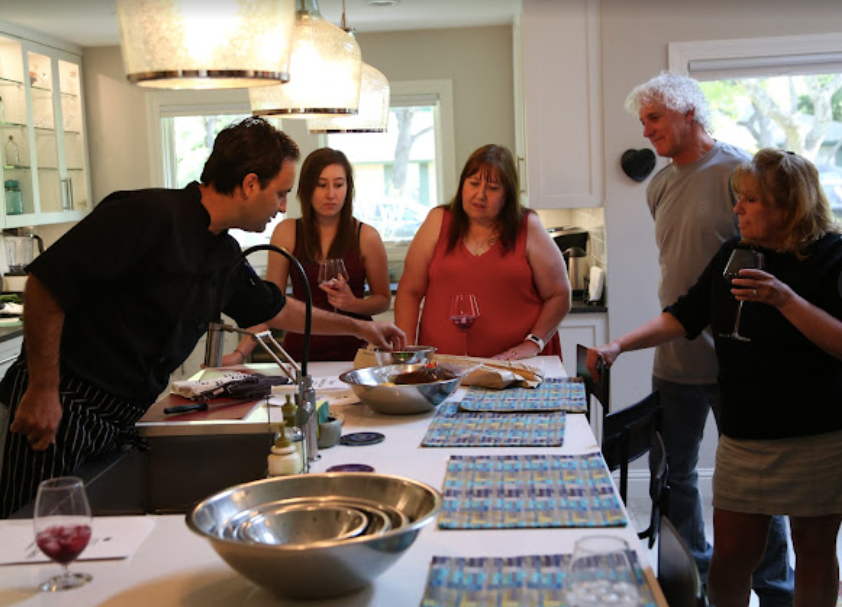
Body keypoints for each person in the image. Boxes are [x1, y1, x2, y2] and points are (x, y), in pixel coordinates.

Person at [0, 117, 406, 518]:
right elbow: (45, 286)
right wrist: (42, 389)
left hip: (118, 419)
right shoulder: (145, 214)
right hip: (59, 407)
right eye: (280, 193)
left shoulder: (223, 253)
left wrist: (361, 326)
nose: (283, 207)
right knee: (24, 546)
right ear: (250, 184)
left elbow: (277, 308)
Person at [589, 149, 842, 607]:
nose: (736, 209)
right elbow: (685, 315)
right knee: (731, 558)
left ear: (789, 206)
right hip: (746, 436)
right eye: (737, 198)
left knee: (816, 553)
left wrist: (785, 300)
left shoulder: (832, 257)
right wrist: (619, 345)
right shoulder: (736, 254)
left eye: (750, 200)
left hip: (817, 438)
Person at [625, 72, 793, 604]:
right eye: (644, 120)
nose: (646, 130)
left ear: (688, 112)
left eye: (655, 117)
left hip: (737, 362)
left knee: (759, 483)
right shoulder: (659, 184)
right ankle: (690, 583)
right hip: (675, 358)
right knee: (675, 478)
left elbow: (768, 254)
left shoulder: (737, 172)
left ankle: (775, 588)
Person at [395, 144, 570, 361]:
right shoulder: (438, 220)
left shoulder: (528, 226)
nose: (480, 195)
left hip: (515, 367)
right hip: (443, 367)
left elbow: (560, 295)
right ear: (462, 185)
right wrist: (407, 353)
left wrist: (533, 343)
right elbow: (409, 291)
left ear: (508, 194)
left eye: (493, 188)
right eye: (474, 183)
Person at [225, 148, 391, 363]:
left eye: (339, 185)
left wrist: (353, 304)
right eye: (321, 185)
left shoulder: (366, 236)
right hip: (301, 351)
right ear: (305, 188)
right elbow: (268, 306)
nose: (331, 194)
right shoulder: (287, 232)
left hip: (356, 352)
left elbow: (383, 300)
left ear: (348, 189)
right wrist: (239, 354)